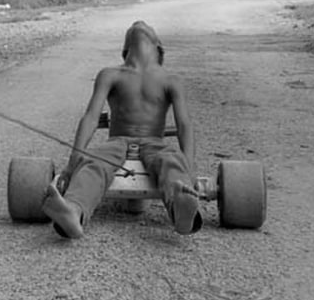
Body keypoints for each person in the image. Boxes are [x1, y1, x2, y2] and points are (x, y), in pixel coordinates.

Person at [41, 20, 202, 239]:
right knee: (93, 164)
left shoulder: (171, 80)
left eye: (147, 28)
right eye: (135, 27)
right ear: (125, 50)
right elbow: (91, 117)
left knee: (172, 162)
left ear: (158, 47)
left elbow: (184, 125)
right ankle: (73, 211)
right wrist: (73, 162)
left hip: (154, 142)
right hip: (117, 142)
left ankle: (181, 206)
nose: (140, 24)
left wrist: (189, 168)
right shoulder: (110, 74)